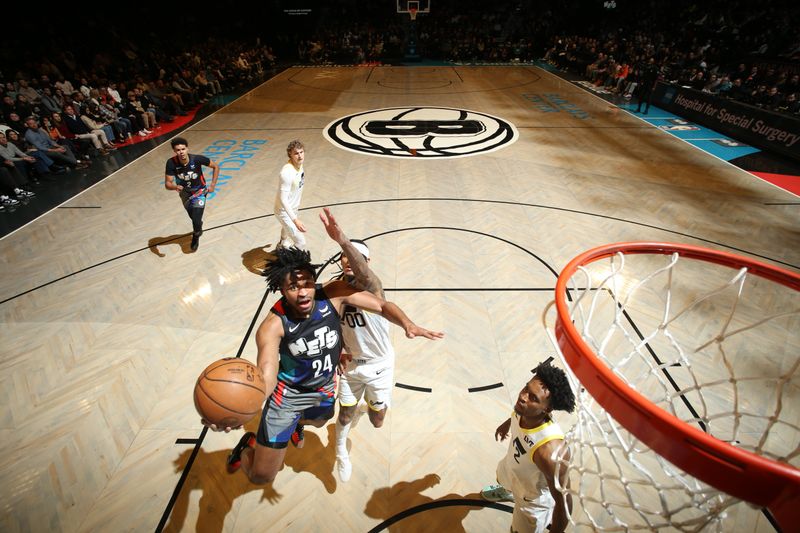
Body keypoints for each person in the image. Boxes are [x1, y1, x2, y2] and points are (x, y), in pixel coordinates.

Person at [213, 246, 443, 485]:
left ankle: (295, 425)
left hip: (322, 388)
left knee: (322, 421)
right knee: (262, 476)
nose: (303, 293)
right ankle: (246, 448)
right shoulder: (273, 326)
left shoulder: (332, 294)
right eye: (293, 287)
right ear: (281, 289)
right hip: (288, 396)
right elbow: (267, 376)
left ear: (314, 282)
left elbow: (382, 305)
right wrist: (239, 409)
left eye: (307, 284)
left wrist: (408, 323)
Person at [318, 207, 394, 482]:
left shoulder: (373, 287)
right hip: (350, 365)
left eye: (356, 258)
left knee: (377, 421)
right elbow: (328, 324)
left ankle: (368, 408)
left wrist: (343, 241)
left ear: (366, 260)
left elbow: (365, 273)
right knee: (344, 413)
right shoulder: (333, 288)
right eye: (345, 258)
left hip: (379, 365)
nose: (349, 261)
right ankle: (340, 452)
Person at [481, 361, 576, 533]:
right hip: (515, 468)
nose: (523, 397)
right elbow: (517, 414)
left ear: (547, 409)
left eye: (533, 398)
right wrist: (507, 424)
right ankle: (509, 492)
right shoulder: (524, 409)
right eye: (526, 388)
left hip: (531, 499)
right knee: (503, 476)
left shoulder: (550, 452)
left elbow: (564, 503)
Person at [163, 137, 219, 251]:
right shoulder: (171, 163)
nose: (181, 152)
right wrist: (175, 186)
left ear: (187, 148)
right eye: (178, 150)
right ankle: (198, 225)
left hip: (199, 192)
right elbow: (167, 184)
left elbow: (216, 166)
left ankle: (196, 235)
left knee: (196, 220)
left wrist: (212, 185)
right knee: (193, 217)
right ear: (174, 151)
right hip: (185, 194)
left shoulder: (197, 159)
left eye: (183, 149)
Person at [273, 140, 307, 250]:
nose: (300, 156)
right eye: (296, 153)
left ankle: (281, 243)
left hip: (293, 208)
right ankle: (287, 264)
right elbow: (283, 199)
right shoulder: (287, 173)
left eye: (301, 152)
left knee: (287, 228)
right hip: (284, 212)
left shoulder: (299, 165)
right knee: (301, 242)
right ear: (290, 155)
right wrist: (295, 220)